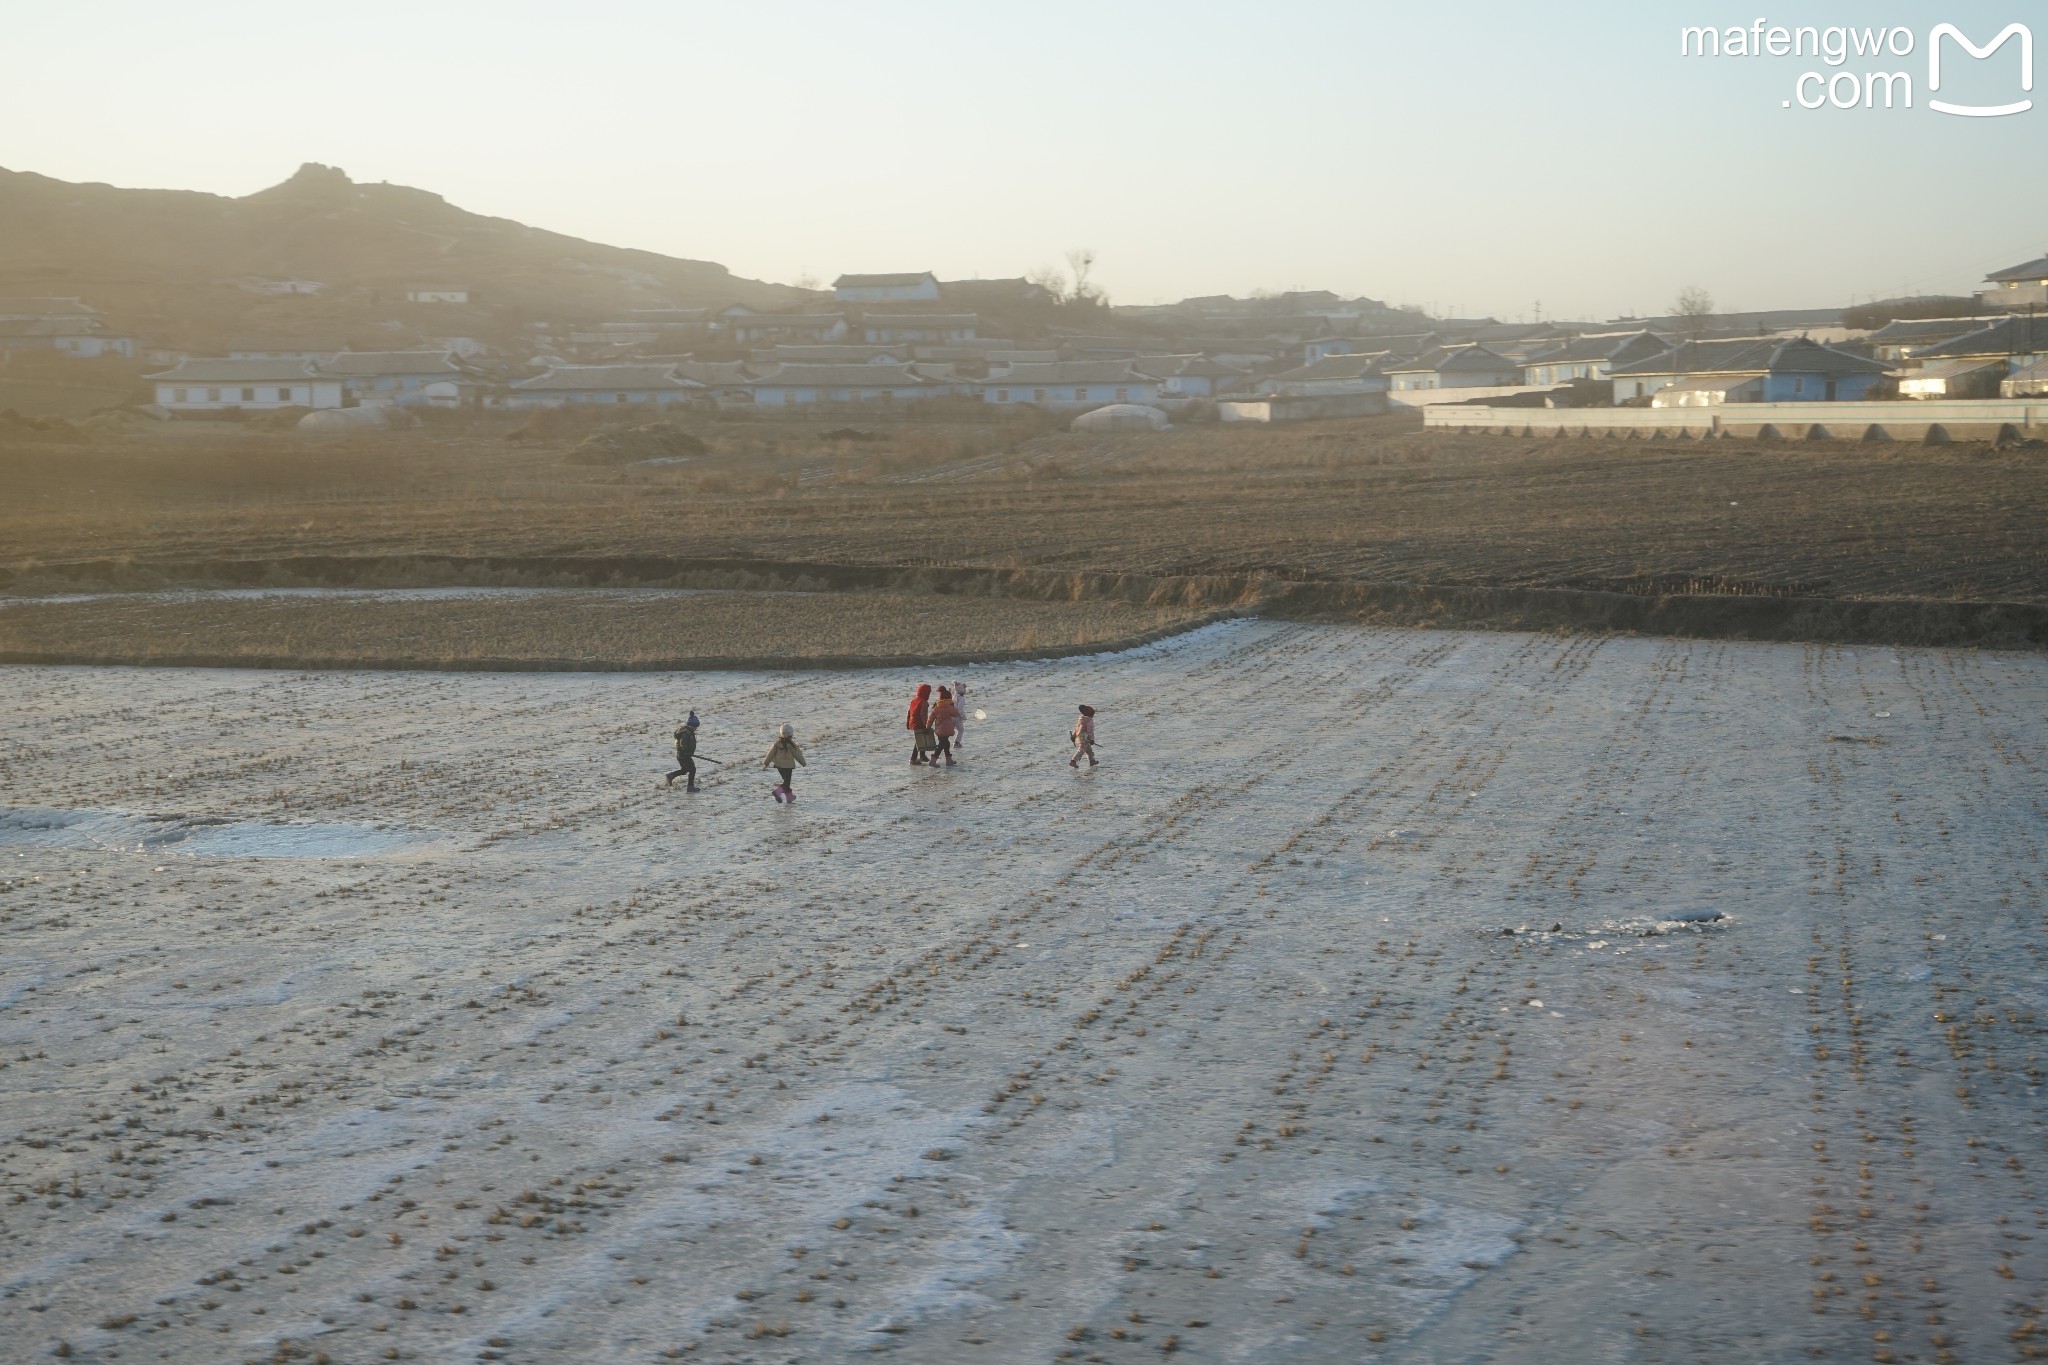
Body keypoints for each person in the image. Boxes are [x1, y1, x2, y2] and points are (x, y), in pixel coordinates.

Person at [764, 723, 806, 803]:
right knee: (786, 783)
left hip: (779, 766)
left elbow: (770, 753)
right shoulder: (791, 744)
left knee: (786, 782)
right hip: (788, 767)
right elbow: (797, 754)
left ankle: (789, 797)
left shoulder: (777, 743)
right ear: (791, 734)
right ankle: (777, 792)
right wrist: (803, 763)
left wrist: (766, 762)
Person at [665, 711, 701, 791]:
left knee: (685, 770)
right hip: (684, 755)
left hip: (681, 755)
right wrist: (687, 752)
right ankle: (690, 787)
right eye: (695, 727)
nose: (696, 729)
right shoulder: (686, 733)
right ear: (691, 726)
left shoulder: (687, 731)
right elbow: (683, 743)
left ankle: (670, 776)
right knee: (692, 769)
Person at [929, 686, 960, 767]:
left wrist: (927, 727)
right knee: (942, 744)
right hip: (947, 730)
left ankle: (948, 759)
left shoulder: (936, 708)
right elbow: (956, 714)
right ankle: (933, 760)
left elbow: (930, 719)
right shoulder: (949, 707)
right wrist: (953, 706)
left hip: (939, 730)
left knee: (946, 743)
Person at [906, 683, 936, 766]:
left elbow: (909, 712)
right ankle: (913, 758)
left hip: (913, 722)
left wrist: (908, 722)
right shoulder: (924, 702)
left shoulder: (914, 700)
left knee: (920, 739)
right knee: (919, 741)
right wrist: (926, 726)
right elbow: (923, 715)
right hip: (919, 723)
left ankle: (922, 756)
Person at [1069, 704, 1098, 768]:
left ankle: (1092, 761)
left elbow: (1077, 728)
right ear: (1090, 714)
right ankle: (1073, 761)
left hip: (1080, 735)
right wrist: (1091, 739)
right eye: (1093, 714)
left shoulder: (1081, 719)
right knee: (1082, 749)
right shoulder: (1090, 721)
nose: (1093, 715)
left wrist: (1074, 735)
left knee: (1088, 749)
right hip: (1085, 736)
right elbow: (1090, 731)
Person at [951, 680, 969, 750]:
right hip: (957, 716)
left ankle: (944, 741)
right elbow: (960, 709)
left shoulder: (954, 696)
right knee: (961, 730)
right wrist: (963, 717)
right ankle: (957, 742)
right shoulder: (961, 698)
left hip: (951, 715)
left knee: (950, 730)